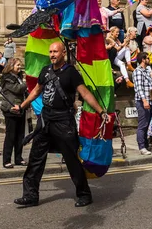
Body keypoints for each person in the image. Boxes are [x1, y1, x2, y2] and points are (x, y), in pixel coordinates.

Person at [12, 42, 110, 208]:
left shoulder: (71, 73)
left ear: (63, 53)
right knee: (36, 158)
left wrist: (101, 112)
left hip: (64, 121)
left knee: (72, 159)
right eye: (50, 51)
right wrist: (22, 106)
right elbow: (36, 91)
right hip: (46, 120)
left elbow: (85, 94)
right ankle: (30, 195)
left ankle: (84, 194)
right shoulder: (45, 70)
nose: (52, 54)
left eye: (55, 51)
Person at [0, 57, 27, 168]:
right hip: (10, 109)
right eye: (17, 65)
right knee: (10, 136)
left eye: (20, 65)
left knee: (20, 135)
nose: (20, 67)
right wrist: (26, 83)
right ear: (11, 67)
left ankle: (18, 158)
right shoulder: (7, 79)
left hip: (20, 108)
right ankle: (6, 160)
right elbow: (17, 89)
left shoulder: (18, 77)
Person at [132, 52, 152, 156]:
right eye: (147, 58)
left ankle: (146, 145)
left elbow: (149, 87)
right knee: (142, 125)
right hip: (142, 102)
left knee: (147, 125)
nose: (149, 59)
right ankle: (141, 147)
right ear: (143, 59)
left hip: (149, 101)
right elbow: (138, 88)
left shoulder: (146, 71)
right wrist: (144, 101)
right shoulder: (138, 72)